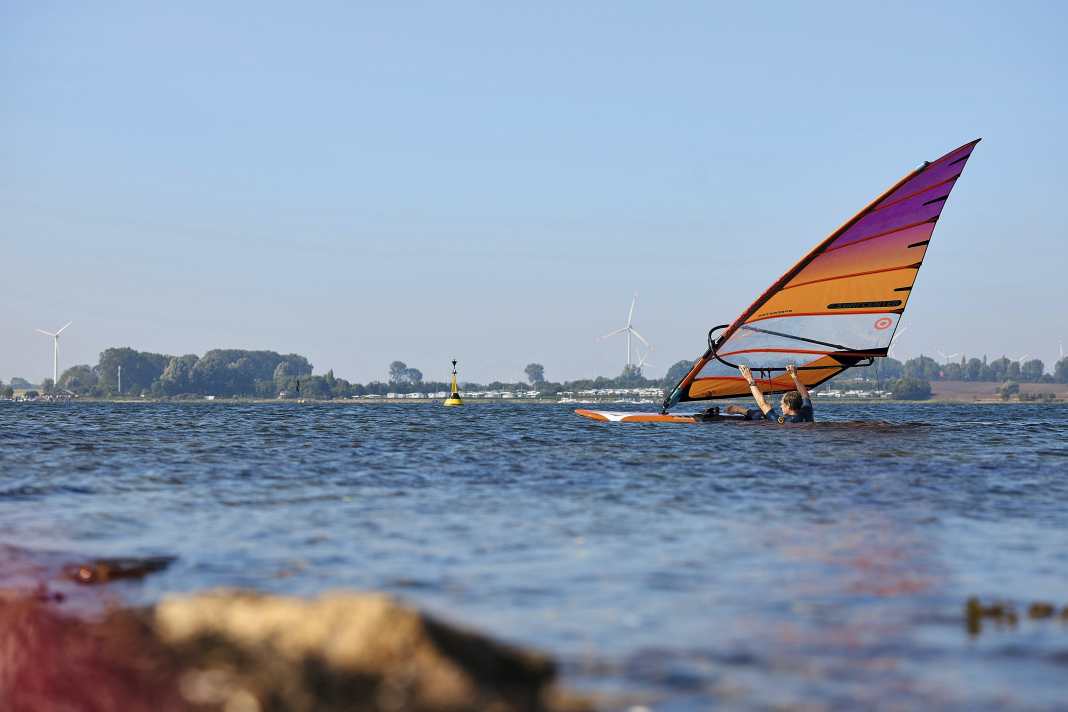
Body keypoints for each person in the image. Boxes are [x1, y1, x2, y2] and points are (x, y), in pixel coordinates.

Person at [731, 364, 815, 423]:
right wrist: (794, 376)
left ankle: (739, 410)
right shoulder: (807, 412)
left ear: (788, 405)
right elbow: (805, 394)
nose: (780, 406)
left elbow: (763, 404)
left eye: (782, 404)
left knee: (761, 415)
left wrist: (749, 379)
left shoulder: (783, 421)